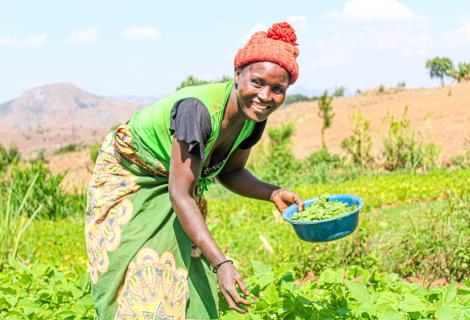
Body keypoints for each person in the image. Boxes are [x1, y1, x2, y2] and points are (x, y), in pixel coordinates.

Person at [85, 21, 304, 319]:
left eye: (278, 89)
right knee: (138, 272)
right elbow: (181, 194)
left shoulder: (254, 118)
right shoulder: (196, 112)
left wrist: (273, 193)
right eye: (257, 82)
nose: (265, 96)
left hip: (177, 184)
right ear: (237, 74)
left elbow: (230, 171)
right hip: (131, 176)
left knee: (187, 273)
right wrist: (222, 263)